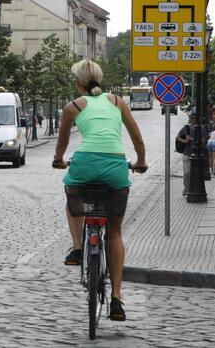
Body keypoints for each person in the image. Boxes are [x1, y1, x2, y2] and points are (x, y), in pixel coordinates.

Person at [52, 59, 147, 322]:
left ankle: (77, 247)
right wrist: (140, 161)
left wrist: (59, 160)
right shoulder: (117, 102)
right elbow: (137, 138)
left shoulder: (72, 107)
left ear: (78, 82)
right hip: (116, 168)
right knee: (114, 232)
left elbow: (61, 143)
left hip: (83, 165)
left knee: (73, 199)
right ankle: (117, 296)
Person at [176, 112, 208, 196]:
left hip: (199, 154)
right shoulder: (186, 128)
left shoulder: (202, 128)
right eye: (192, 117)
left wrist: (193, 139)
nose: (193, 119)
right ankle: (186, 187)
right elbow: (178, 137)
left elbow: (204, 140)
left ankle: (194, 188)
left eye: (194, 118)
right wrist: (185, 141)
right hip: (187, 153)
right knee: (187, 172)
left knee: (197, 173)